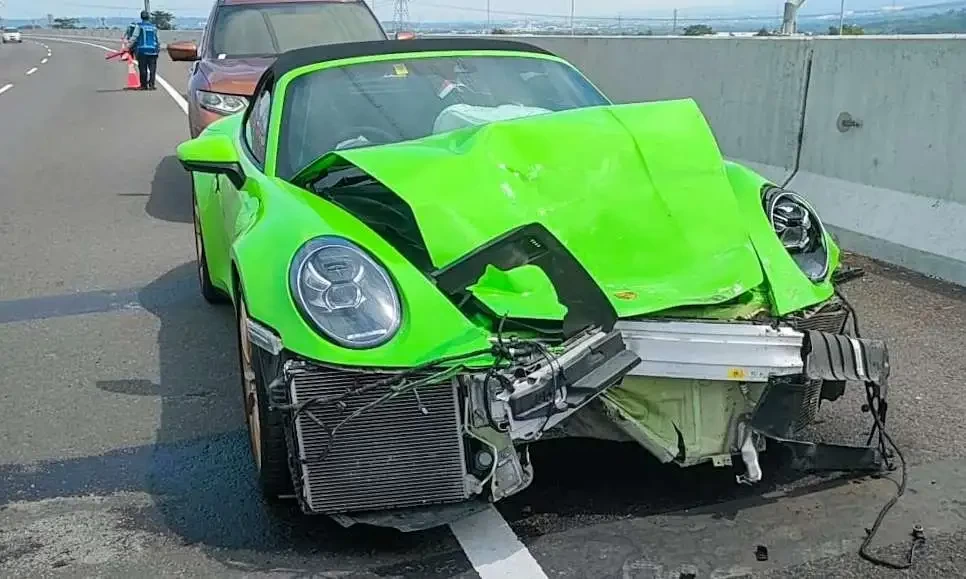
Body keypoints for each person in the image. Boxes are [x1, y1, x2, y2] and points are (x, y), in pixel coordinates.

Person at [126, 11, 160, 90]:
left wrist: (128, 47)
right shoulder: (154, 27)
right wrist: (158, 48)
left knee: (143, 68)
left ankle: (144, 85)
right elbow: (158, 39)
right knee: (152, 69)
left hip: (142, 50)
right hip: (153, 51)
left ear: (141, 17)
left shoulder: (139, 26)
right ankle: (152, 85)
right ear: (149, 17)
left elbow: (134, 37)